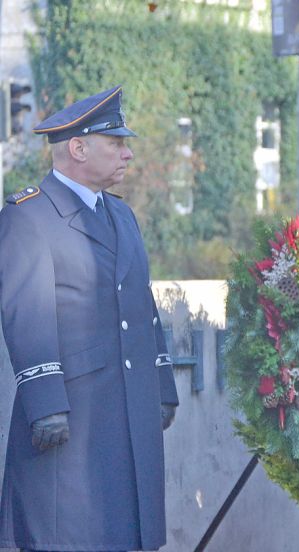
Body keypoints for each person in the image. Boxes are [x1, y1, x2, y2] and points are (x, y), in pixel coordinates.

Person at [0, 85, 179, 551]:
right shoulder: (30, 215)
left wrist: (161, 385)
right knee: (69, 534)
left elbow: (143, 307)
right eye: (116, 143)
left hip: (127, 407)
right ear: (77, 148)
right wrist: (46, 404)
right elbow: (26, 313)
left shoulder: (122, 215)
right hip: (73, 416)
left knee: (126, 533)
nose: (128, 153)